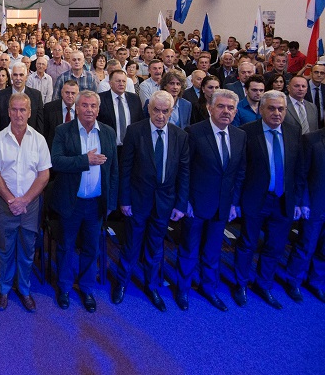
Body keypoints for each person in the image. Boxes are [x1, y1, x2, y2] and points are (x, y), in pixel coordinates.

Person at [112, 90, 190, 312]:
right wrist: (124, 199)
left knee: (156, 247)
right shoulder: (135, 131)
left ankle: (151, 285)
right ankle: (122, 283)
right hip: (137, 200)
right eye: (156, 110)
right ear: (148, 108)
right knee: (131, 245)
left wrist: (180, 204)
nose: (160, 115)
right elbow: (125, 168)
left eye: (165, 111)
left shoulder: (180, 136)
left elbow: (184, 173)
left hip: (165, 202)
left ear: (172, 111)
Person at [233, 91, 304, 309]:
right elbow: (240, 171)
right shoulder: (247, 132)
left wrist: (298, 200)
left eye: (281, 109)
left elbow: (298, 170)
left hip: (283, 200)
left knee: (275, 246)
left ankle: (263, 284)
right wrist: (236, 202)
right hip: (255, 200)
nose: (276, 113)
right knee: (247, 244)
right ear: (261, 109)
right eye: (271, 108)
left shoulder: (294, 131)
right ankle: (240, 284)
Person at [177, 89, 246, 312]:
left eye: (230, 108)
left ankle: (208, 288)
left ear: (235, 112)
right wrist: (185, 201)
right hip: (196, 204)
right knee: (189, 250)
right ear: (210, 108)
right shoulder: (194, 132)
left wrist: (234, 202)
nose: (226, 111)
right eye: (221, 106)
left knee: (213, 250)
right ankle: (183, 289)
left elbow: (240, 172)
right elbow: (184, 170)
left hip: (223, 205)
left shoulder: (240, 135)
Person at [50, 90, 118, 313]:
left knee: (91, 247)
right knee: (66, 246)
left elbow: (114, 170)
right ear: (77, 108)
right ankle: (64, 287)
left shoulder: (108, 132)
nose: (89, 110)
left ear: (98, 109)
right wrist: (84, 160)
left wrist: (111, 202)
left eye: (93, 106)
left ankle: (87, 288)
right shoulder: (63, 130)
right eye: (85, 105)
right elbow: (56, 162)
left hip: (96, 203)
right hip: (71, 202)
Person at [0, 93, 50, 312]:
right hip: (6, 204)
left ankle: (24, 289)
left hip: (30, 206)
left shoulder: (39, 140)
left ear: (30, 112)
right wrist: (11, 200)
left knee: (27, 249)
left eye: (22, 110)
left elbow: (44, 175)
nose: (18, 114)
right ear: (8, 112)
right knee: (5, 249)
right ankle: (4, 289)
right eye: (14, 109)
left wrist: (24, 200)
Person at [285, 127, 325, 303]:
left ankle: (316, 282)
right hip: (314, 203)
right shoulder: (311, 140)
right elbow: (301, 175)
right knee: (306, 245)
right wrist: (303, 202)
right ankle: (293, 281)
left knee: (324, 249)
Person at [0, 63, 44, 135]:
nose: (18, 78)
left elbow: (39, 125)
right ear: (11, 76)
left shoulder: (36, 96)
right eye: (15, 75)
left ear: (26, 77)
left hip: (30, 138)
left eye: (21, 75)